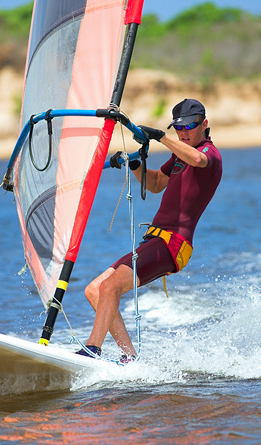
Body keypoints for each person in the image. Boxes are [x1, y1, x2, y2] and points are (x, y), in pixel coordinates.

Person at [77, 98, 222, 362]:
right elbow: (155, 183)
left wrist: (162, 137)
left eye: (190, 126)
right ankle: (130, 358)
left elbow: (198, 159)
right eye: (178, 127)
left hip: (174, 244)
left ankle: (91, 350)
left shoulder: (209, 155)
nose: (184, 132)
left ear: (204, 125)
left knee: (110, 287)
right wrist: (133, 164)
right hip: (154, 241)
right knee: (94, 290)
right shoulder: (179, 157)